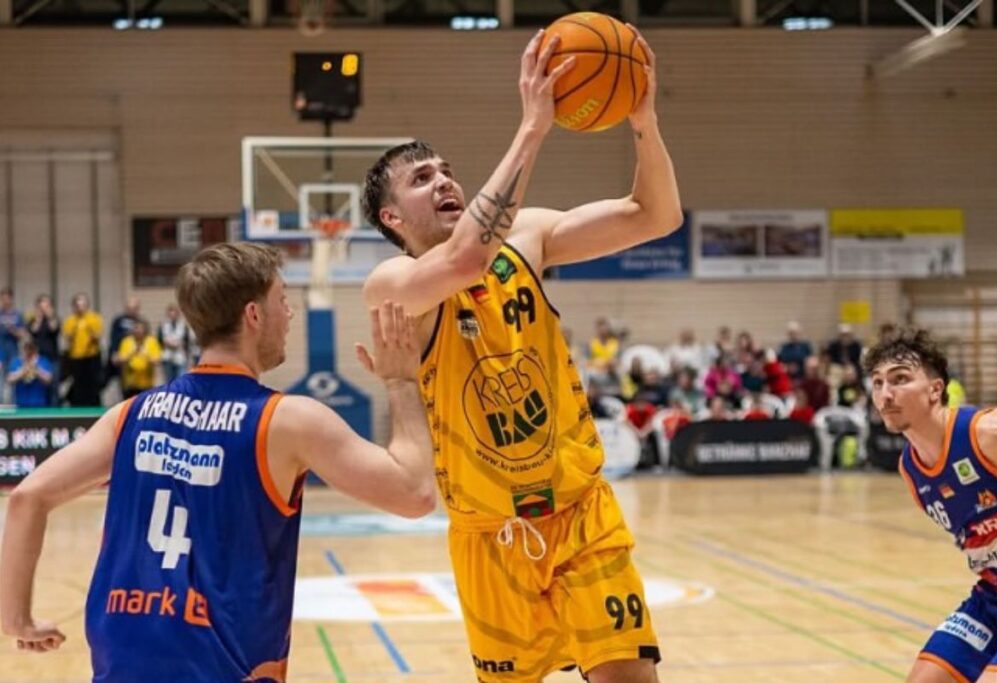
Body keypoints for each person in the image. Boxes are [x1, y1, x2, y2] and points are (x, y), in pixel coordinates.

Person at [360, 27, 680, 683]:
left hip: (580, 510)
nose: (444, 180)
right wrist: (534, 127)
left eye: (447, 170)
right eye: (422, 179)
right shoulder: (393, 288)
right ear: (392, 218)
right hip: (488, 535)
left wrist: (642, 121)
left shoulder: (528, 236)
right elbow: (466, 257)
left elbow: (655, 215)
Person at [0, 242, 436, 681]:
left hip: (123, 664)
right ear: (253, 315)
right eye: (282, 300)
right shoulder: (286, 421)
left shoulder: (130, 415)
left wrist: (15, 619)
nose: (289, 315)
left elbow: (28, 498)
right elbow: (414, 493)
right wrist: (400, 381)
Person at [864, 327, 997, 683]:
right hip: (994, 600)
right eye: (877, 383)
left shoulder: (991, 433)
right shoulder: (911, 469)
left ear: (935, 389)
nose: (886, 394)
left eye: (900, 379)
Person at [61, 293, 104, 406]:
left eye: (83, 305)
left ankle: (94, 406)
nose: (80, 308)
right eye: (78, 305)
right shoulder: (70, 321)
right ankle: (77, 405)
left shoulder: (94, 318)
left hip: (91, 356)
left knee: (93, 384)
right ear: (74, 306)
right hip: (76, 357)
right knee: (78, 384)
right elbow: (67, 337)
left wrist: (91, 332)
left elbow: (98, 336)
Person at [114, 319, 163, 398]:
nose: (138, 331)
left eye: (141, 328)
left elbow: (157, 361)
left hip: (146, 384)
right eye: (136, 328)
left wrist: (146, 354)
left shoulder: (152, 341)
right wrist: (132, 353)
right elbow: (120, 360)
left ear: (145, 329)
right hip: (130, 384)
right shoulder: (126, 341)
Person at [5, 340, 53, 408]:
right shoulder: (16, 362)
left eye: (31, 348)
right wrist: (22, 372)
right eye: (26, 348)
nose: (28, 351)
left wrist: (36, 371)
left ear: (36, 349)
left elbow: (48, 380)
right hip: (21, 404)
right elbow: (9, 379)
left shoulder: (44, 361)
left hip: (40, 405)